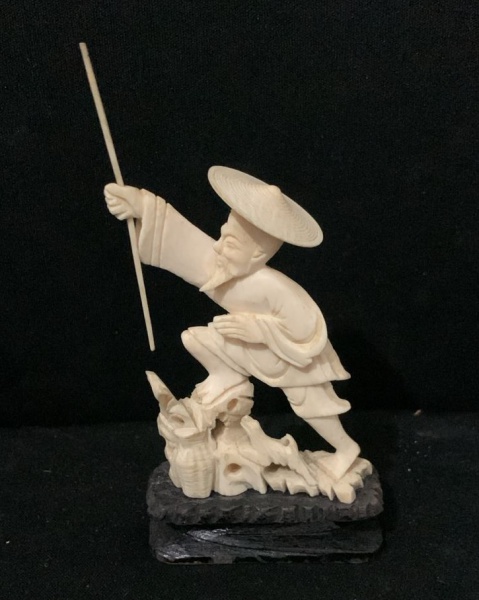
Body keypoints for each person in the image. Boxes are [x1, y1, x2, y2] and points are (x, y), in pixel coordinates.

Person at [104, 166, 360, 480]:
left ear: (256, 256)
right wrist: (143, 206)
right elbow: (188, 246)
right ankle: (227, 377)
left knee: (312, 406)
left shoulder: (275, 287)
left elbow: (309, 329)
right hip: (257, 351)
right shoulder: (225, 264)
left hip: (296, 360)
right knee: (196, 339)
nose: (218, 246)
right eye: (223, 235)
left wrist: (260, 330)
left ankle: (346, 449)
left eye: (231, 243)